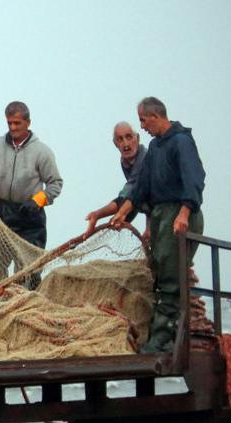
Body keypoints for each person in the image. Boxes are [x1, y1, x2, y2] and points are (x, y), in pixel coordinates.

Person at [110, 97, 205, 353]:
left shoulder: (181, 142)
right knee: (161, 273)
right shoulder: (154, 147)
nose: (142, 127)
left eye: (142, 120)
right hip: (162, 215)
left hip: (180, 213)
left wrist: (184, 213)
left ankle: (161, 340)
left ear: (155, 116)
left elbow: (195, 179)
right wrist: (124, 212)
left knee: (172, 278)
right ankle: (168, 334)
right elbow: (141, 188)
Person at [0, 101, 64, 290]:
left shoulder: (42, 151)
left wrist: (38, 200)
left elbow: (55, 183)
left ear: (28, 122)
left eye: (17, 123)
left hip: (29, 217)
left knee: (28, 271)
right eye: (9, 123)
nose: (13, 128)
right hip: (0, 213)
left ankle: (23, 307)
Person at [82, 121, 148, 238]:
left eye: (129, 137)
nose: (125, 143)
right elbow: (138, 197)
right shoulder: (125, 161)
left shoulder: (145, 158)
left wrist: (118, 214)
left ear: (137, 138)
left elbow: (132, 193)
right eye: (120, 139)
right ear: (115, 143)